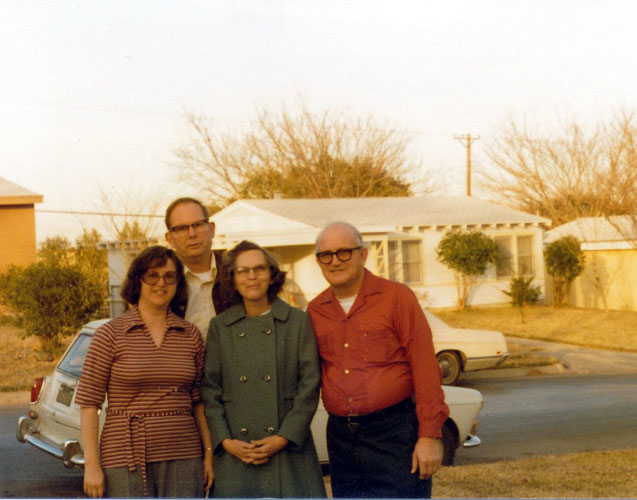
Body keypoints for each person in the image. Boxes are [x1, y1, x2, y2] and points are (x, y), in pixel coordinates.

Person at [307, 222, 450, 499]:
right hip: (342, 439)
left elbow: (425, 368)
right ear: (318, 261)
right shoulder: (315, 310)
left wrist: (429, 436)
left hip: (394, 434)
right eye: (327, 255)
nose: (335, 261)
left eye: (344, 252)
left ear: (364, 254)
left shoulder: (396, 297)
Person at [76, 246, 214, 498]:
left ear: (178, 283)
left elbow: (199, 403)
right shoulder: (110, 334)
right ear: (138, 280)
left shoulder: (190, 335)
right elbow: (88, 404)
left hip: (184, 455)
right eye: (152, 275)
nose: (161, 283)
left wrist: (208, 455)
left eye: (169, 276)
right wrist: (92, 466)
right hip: (124, 456)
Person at [201, 240, 326, 498]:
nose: (252, 277)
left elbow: (309, 386)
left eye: (259, 269)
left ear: (272, 275)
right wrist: (225, 441)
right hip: (237, 453)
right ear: (232, 279)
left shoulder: (297, 322)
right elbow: (210, 390)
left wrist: (283, 438)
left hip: (289, 452)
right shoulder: (220, 327)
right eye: (243, 271)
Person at [165, 197, 226, 337]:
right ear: (169, 239)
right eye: (181, 228)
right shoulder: (162, 284)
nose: (192, 234)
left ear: (212, 229)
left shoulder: (236, 274)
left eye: (198, 225)